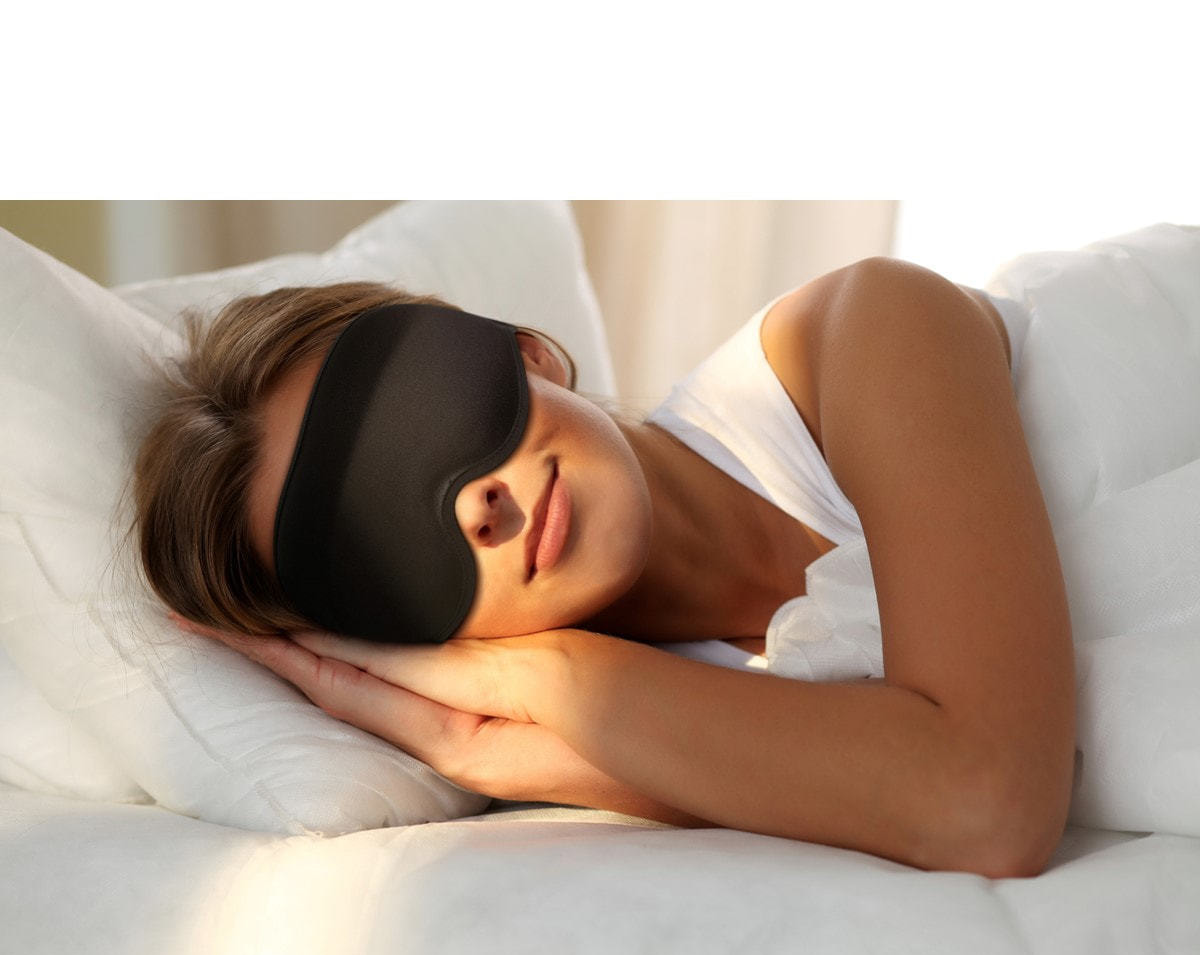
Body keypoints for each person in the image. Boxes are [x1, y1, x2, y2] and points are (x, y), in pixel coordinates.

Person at [133, 260, 1076, 879]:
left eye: (422, 429)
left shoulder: (863, 330)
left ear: (527, 354)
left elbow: (985, 802)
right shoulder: (654, 725)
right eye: (378, 549)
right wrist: (485, 748)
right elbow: (943, 803)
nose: (473, 507)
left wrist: (546, 676)